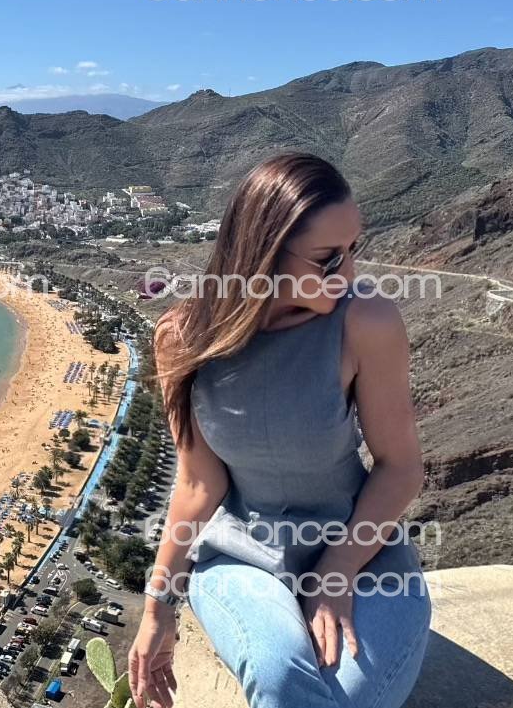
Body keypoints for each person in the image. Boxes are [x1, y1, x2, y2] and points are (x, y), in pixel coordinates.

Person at [128, 153, 431, 708]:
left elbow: (400, 467)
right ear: (263, 252)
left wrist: (336, 571)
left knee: (345, 696)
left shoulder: (366, 321)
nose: (349, 274)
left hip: (361, 553)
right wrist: (157, 606)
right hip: (241, 557)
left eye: (354, 250)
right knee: (279, 675)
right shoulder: (182, 337)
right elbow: (198, 484)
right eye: (328, 259)